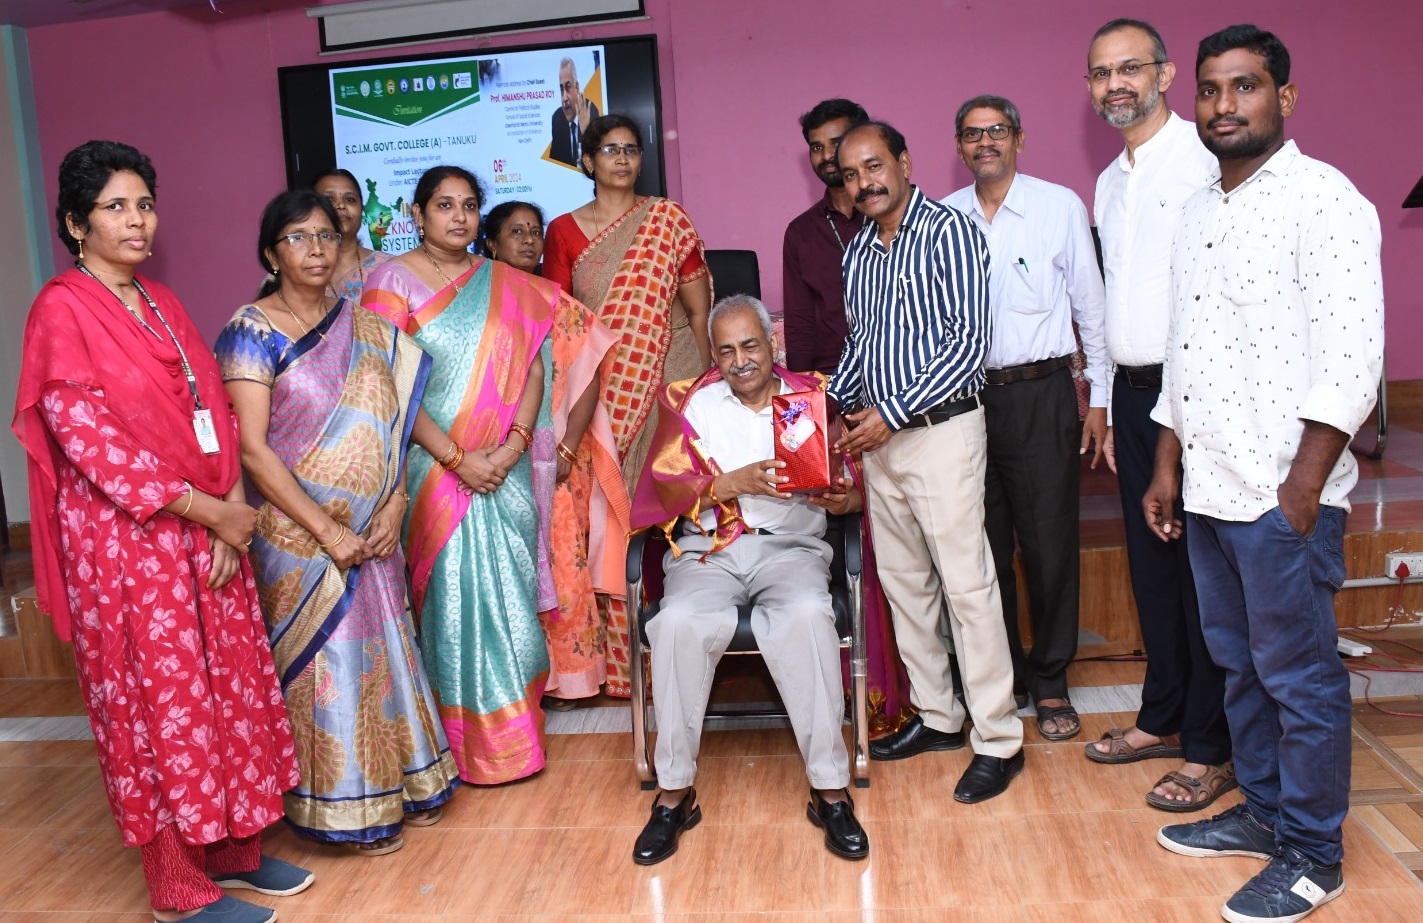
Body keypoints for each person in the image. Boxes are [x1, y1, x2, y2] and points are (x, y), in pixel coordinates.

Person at [12, 140, 311, 923]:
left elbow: (211, 412)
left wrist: (227, 520)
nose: (136, 219)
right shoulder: (61, 309)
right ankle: (177, 890)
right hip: (129, 544)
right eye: (115, 206)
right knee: (161, 710)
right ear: (77, 224)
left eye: (144, 203)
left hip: (207, 530)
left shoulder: (163, 303)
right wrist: (211, 513)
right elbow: (92, 444)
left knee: (227, 691)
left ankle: (233, 853)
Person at [1149, 26, 1383, 923]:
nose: (1221, 105)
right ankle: (1264, 812)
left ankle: (1312, 854)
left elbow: (1351, 363)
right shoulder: (1196, 212)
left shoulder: (1324, 201)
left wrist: (1300, 494)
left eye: (1242, 87)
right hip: (1208, 490)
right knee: (1238, 667)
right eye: (1209, 90)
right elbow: (1183, 356)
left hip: (1281, 497)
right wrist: (1166, 463)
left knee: (1299, 678)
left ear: (1283, 97)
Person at [215, 190, 460, 856]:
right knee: (328, 662)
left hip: (372, 533)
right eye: (297, 238)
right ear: (271, 253)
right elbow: (252, 449)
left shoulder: (369, 327)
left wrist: (394, 506)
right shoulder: (251, 329)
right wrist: (328, 533)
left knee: (381, 648)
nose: (315, 249)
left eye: (325, 235)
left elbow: (394, 429)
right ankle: (339, 807)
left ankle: (402, 783)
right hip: (298, 539)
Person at [362, 165, 606, 784]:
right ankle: (459, 750)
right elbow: (386, 387)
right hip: (434, 469)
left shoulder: (505, 282)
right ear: (417, 215)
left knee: (515, 604)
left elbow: (532, 370)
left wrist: (513, 446)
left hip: (505, 470)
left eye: (469, 205)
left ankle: (517, 743)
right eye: (444, 205)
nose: (459, 217)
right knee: (450, 604)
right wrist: (455, 459)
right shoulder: (389, 280)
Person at [627, 294, 868, 864]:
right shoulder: (690, 403)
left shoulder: (811, 400)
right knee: (678, 622)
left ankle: (830, 791)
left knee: (808, 616)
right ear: (714, 353)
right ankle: (674, 796)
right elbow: (661, 493)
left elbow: (854, 493)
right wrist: (730, 483)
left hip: (790, 549)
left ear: (772, 343)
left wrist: (840, 498)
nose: (740, 360)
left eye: (751, 345)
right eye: (727, 349)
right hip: (707, 553)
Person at [829, 121, 1024, 803]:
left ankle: (998, 736)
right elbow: (860, 346)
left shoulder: (948, 231)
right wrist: (822, 406)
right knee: (904, 584)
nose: (864, 183)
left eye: (874, 166)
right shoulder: (857, 251)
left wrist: (891, 410)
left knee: (967, 589)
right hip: (878, 444)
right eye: (850, 175)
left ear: (904, 163)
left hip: (939, 433)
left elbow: (968, 344)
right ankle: (940, 717)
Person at [1082, 18, 1235, 814]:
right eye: (1101, 73)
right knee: (1152, 570)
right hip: (1135, 397)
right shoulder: (1108, 181)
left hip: (1198, 400)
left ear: (1166, 75)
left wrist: (1171, 416)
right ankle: (1163, 716)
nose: (1116, 84)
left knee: (1199, 575)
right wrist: (1104, 401)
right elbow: (1114, 300)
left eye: (1130, 68)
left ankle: (1212, 748)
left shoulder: (1205, 160)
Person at [942, 94, 1108, 742]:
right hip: (963, 403)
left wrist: (1098, 398)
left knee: (1047, 549)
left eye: (997, 131)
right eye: (972, 133)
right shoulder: (942, 217)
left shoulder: (1057, 206)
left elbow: (1090, 309)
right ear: (958, 145)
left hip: (1041, 397)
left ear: (1018, 137)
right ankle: (1001, 675)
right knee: (980, 549)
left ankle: (1050, 681)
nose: (985, 142)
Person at [542, 113, 712, 699]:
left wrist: (704, 392)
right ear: (587, 161)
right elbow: (563, 325)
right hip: (600, 396)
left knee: (678, 514)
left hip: (671, 382)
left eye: (631, 150)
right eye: (609, 150)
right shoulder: (563, 231)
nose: (621, 159)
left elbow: (695, 312)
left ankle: (686, 648)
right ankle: (626, 666)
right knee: (609, 526)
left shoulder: (667, 220)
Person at [782, 97, 869, 375]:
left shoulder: (892, 217)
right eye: (816, 147)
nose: (826, 155)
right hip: (832, 380)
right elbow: (799, 321)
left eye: (836, 143)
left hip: (899, 378)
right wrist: (802, 388)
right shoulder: (801, 233)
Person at [314, 167, 392, 301]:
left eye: (349, 199)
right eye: (329, 199)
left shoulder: (389, 269)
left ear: (362, 210)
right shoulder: (295, 274)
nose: (340, 205)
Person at [549, 57, 599, 167]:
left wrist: (586, 131)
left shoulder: (591, 111)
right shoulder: (557, 119)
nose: (564, 98)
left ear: (577, 87)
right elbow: (554, 165)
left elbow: (601, 160)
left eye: (568, 87)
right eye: (562, 89)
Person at [482, 200, 545, 274]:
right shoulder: (478, 284)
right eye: (517, 231)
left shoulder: (551, 283)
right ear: (492, 244)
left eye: (536, 232)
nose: (530, 240)